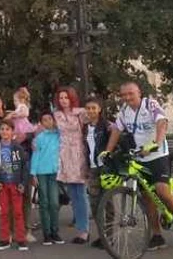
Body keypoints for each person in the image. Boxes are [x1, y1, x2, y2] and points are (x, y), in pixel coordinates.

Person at [102, 82, 173, 250]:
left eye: (131, 94)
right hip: (140, 158)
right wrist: (107, 151)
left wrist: (156, 142)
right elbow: (116, 130)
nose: (127, 98)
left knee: (161, 190)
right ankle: (157, 236)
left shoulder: (150, 105)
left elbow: (162, 122)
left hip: (157, 155)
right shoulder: (124, 112)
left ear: (139, 93)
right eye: (123, 95)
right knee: (147, 199)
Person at [53, 86, 90, 244]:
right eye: (61, 98)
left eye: (66, 97)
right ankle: (80, 226)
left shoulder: (80, 113)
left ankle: (84, 230)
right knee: (72, 194)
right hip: (64, 154)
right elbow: (47, 128)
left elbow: (94, 118)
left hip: (78, 153)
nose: (63, 100)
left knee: (80, 192)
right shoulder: (57, 115)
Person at [0, 120, 29, 252]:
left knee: (18, 212)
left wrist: (23, 183)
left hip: (15, 184)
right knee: (5, 212)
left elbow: (24, 166)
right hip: (3, 185)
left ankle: (21, 239)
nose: (4, 132)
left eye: (7, 129)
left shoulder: (17, 147)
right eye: (2, 129)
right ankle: (5, 239)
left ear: (12, 131)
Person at [82, 97, 114, 249]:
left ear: (99, 109)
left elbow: (114, 142)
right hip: (93, 169)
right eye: (88, 108)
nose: (91, 111)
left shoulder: (107, 126)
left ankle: (110, 236)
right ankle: (102, 235)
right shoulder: (85, 128)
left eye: (93, 108)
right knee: (95, 203)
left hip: (106, 168)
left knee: (107, 201)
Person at [30, 112, 64, 246]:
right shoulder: (39, 138)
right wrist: (33, 173)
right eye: (44, 120)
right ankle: (47, 233)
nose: (48, 122)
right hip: (41, 172)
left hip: (55, 173)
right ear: (41, 123)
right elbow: (36, 155)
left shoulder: (59, 136)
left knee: (54, 203)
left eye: (50, 119)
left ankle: (55, 231)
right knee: (44, 203)